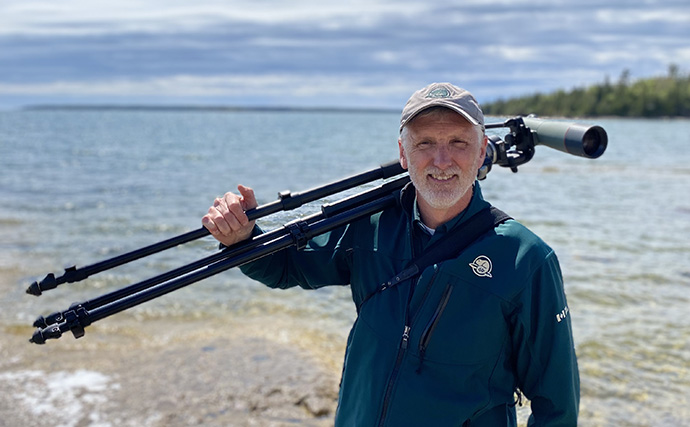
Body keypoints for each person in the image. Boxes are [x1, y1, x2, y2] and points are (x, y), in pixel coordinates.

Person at [202, 82, 580, 426]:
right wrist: (242, 237)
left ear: (482, 151)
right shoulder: (370, 224)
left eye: (459, 143)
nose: (442, 160)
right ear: (403, 152)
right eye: (425, 143)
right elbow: (286, 268)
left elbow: (557, 407)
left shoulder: (525, 259)